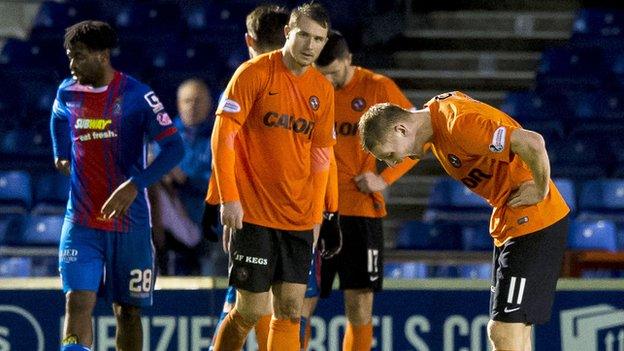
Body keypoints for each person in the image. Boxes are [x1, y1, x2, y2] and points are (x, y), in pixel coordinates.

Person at [358, 91, 570, 351]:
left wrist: (540, 189)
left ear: (401, 129)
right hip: (513, 223)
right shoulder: (437, 117)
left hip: (534, 220)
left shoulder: (457, 124)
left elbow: (532, 142)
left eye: (389, 154)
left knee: (503, 331)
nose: (393, 162)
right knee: (515, 333)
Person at [209, 3, 337, 350]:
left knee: (291, 310)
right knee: (249, 310)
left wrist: (317, 215)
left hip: (297, 217)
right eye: (304, 36)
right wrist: (229, 197)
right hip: (254, 213)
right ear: (287, 33)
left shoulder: (322, 90)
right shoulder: (253, 73)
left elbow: (321, 156)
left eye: (319, 40)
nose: (311, 46)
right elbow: (223, 136)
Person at [51, 21, 184, 351]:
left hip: (130, 225)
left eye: (78, 56)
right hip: (81, 223)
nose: (72, 65)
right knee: (77, 302)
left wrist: (135, 185)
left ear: (101, 55)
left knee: (126, 312)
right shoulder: (67, 92)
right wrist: (60, 151)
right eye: (70, 56)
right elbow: (56, 118)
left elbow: (175, 148)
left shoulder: (138, 96)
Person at [298, 30, 417, 351]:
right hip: (317, 215)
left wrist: (384, 178)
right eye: (322, 75)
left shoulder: (378, 88)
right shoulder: (310, 88)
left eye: (334, 74)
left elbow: (419, 141)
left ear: (348, 59)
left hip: (361, 213)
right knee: (300, 304)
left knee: (360, 306)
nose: (329, 82)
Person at [205, 5, 290, 351]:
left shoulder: (247, 76)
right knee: (257, 300)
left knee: (257, 298)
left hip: (241, 203)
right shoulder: (271, 78)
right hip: (257, 207)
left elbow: (224, 142)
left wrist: (227, 199)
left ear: (249, 40)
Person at [151, 78, 214, 275]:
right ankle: (155, 258)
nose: (192, 106)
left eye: (197, 100)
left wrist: (184, 179)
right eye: (187, 101)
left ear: (209, 104)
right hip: (167, 213)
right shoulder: (165, 137)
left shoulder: (219, 136)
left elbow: (220, 184)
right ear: (178, 104)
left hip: (204, 219)